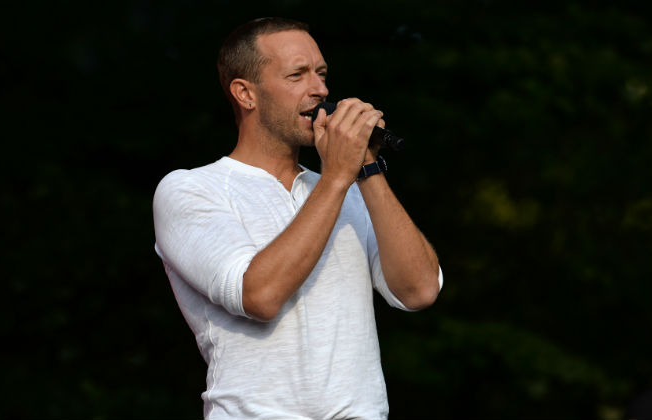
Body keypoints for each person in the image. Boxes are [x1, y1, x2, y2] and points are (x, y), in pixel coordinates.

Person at [152, 17, 443, 420]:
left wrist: (366, 168)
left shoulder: (345, 186)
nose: (320, 89)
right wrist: (339, 176)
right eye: (297, 75)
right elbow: (259, 295)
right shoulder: (191, 189)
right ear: (245, 94)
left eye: (322, 74)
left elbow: (420, 291)